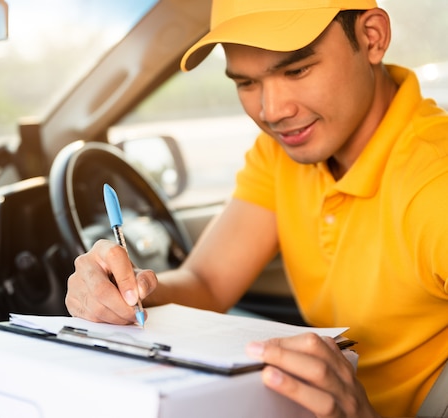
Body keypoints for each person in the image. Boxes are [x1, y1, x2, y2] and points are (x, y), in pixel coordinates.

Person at [65, 0, 448, 416]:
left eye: (297, 70)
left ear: (372, 37)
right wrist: (126, 293)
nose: (273, 112)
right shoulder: (282, 153)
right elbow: (207, 283)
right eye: (246, 83)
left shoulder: (436, 185)